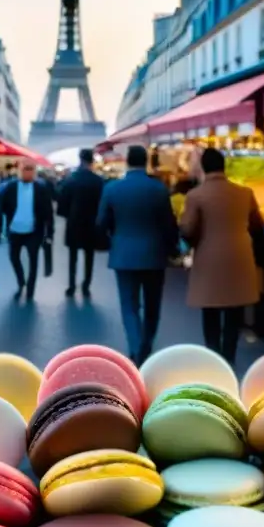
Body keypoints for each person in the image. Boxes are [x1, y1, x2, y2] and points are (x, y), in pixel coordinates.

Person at [179, 148, 264, 363]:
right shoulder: (245, 193)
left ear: (203, 168)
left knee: (211, 310)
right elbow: (258, 226)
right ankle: (229, 356)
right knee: (234, 311)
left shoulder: (195, 195)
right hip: (239, 257)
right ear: (223, 166)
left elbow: (188, 230)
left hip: (209, 258)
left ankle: (214, 357)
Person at [97, 145, 178, 365]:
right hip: (154, 254)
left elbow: (101, 222)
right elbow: (168, 224)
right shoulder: (158, 188)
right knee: (153, 305)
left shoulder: (112, 189)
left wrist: (114, 238)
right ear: (146, 162)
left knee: (129, 305)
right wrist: (174, 249)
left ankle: (135, 346)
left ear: (127, 162)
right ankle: (147, 345)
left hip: (123, 254)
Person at [0, 160, 55, 301]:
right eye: (25, 169)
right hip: (15, 230)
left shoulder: (41, 189)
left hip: (33, 232)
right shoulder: (11, 187)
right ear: (19, 170)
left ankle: (30, 289)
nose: (27, 172)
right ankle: (21, 281)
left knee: (33, 261)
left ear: (35, 171)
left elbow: (48, 213)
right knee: (14, 258)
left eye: (30, 169)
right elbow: (2, 206)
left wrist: (50, 233)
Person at [58, 148, 105, 298]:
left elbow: (62, 204)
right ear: (92, 161)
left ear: (80, 159)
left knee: (73, 256)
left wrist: (68, 215)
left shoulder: (70, 179)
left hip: (74, 222)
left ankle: (71, 285)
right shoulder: (98, 181)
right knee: (89, 256)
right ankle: (86, 285)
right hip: (92, 224)